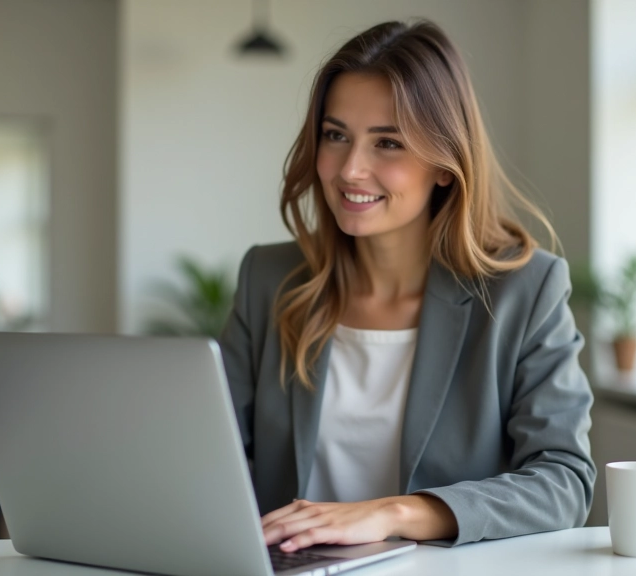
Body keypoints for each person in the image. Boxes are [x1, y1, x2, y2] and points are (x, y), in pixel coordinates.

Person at [218, 19, 595, 552]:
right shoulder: (269, 278)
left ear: (444, 165)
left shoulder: (525, 290)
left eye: (388, 143)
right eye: (336, 135)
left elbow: (564, 481)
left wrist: (393, 513)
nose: (351, 169)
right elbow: (208, 454)